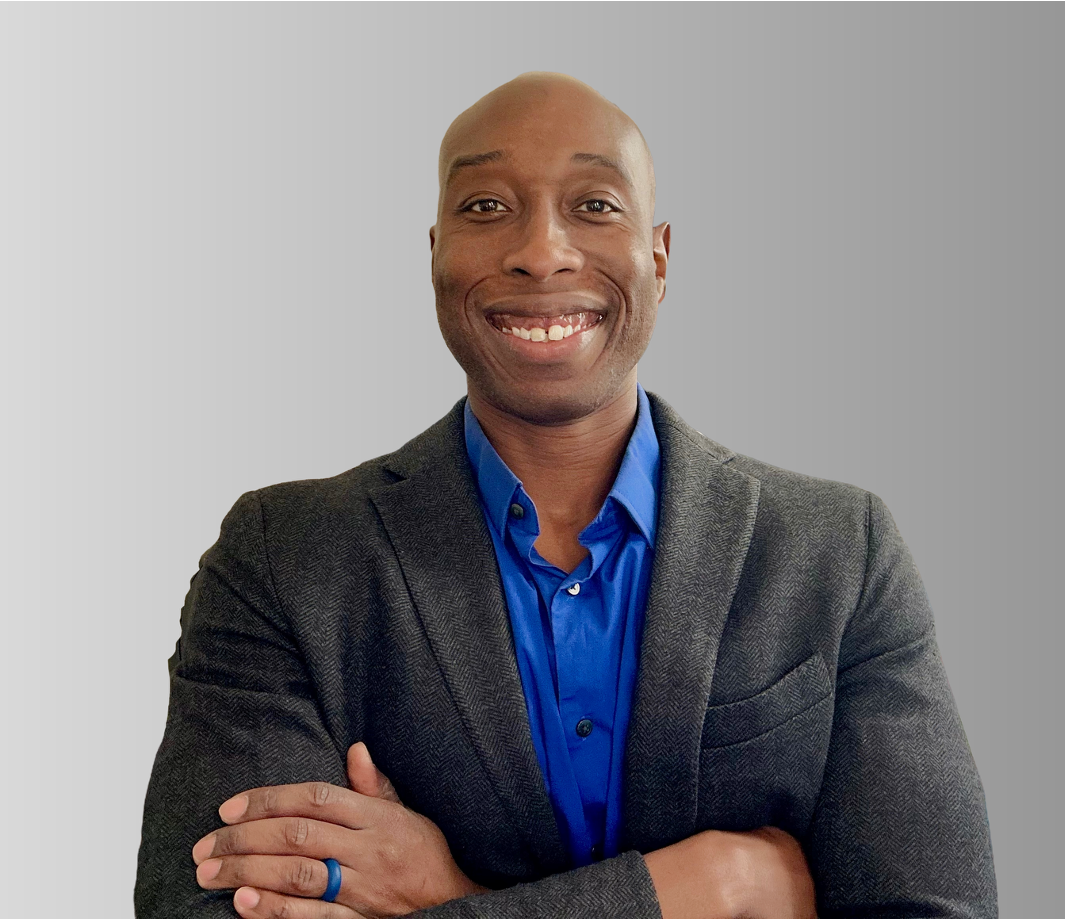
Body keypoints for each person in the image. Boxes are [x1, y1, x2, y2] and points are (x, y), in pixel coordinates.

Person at [134, 73, 997, 920]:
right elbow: (199, 910)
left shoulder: (840, 552)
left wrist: (447, 901)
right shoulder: (285, 558)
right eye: (484, 207)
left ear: (658, 259)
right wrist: (705, 890)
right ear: (434, 255)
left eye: (594, 205)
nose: (541, 250)